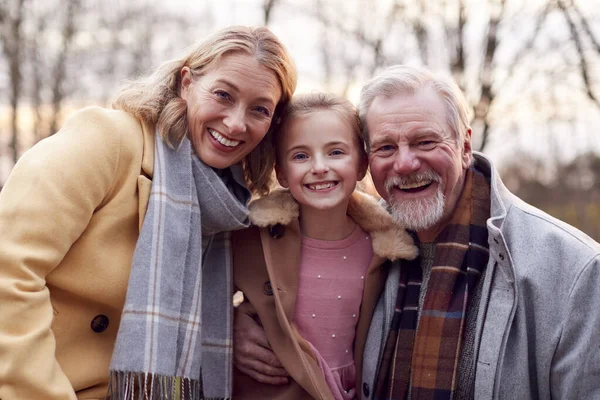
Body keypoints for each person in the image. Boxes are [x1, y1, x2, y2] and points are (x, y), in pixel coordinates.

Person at [234, 65, 600, 400]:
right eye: (386, 147)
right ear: (368, 160)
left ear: (465, 145)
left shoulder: (572, 270)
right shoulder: (378, 241)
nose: (406, 163)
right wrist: (231, 327)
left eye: (425, 142)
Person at [0, 25, 296, 400]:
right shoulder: (108, 140)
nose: (237, 123)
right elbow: (9, 270)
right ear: (187, 83)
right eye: (223, 95)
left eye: (259, 109)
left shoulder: (229, 203)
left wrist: (221, 321)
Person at [231, 93, 417, 399]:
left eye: (336, 152)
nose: (319, 167)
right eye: (301, 156)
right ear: (281, 172)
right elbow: (202, 294)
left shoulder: (384, 249)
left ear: (362, 165)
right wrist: (229, 323)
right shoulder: (253, 237)